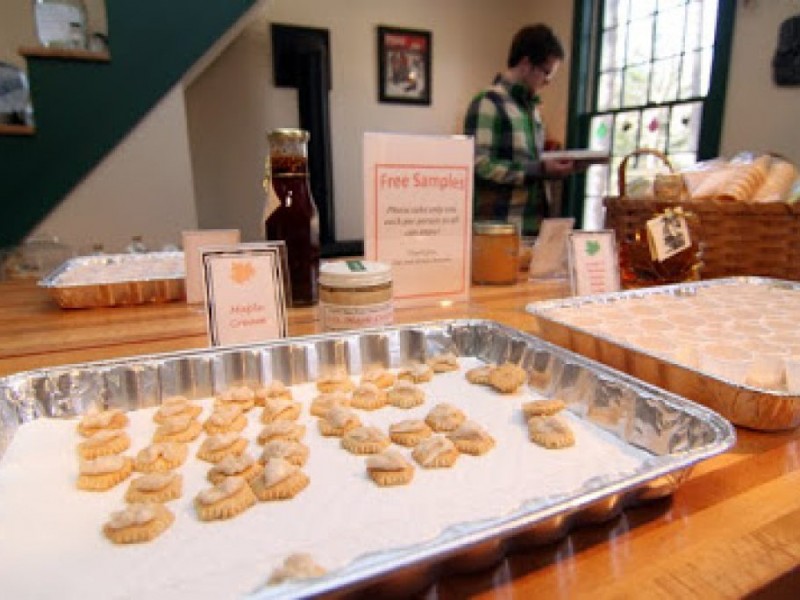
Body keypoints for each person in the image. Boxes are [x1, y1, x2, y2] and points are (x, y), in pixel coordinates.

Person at [464, 24, 584, 236]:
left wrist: (555, 168)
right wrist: (539, 169)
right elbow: (478, 165)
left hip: (533, 226)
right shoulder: (488, 102)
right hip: (498, 230)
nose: (548, 81)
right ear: (526, 64)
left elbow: (530, 166)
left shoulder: (532, 109)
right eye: (546, 72)